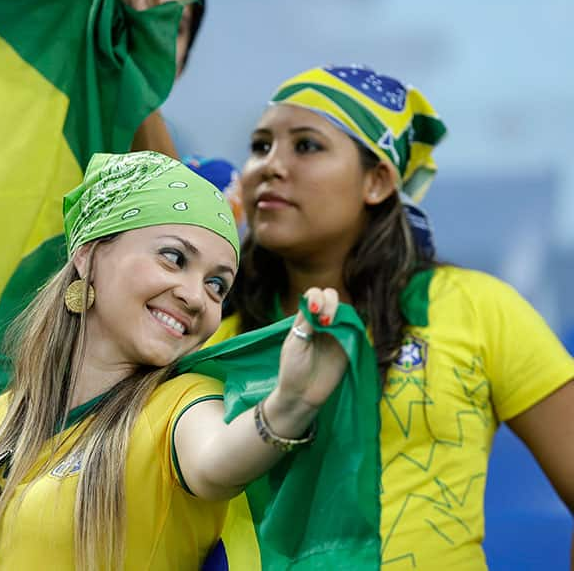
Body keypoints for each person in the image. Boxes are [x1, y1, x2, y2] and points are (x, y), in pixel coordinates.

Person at [0, 150, 351, 570]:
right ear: (89, 256)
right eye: (173, 257)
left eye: (216, 284)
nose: (195, 295)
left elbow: (218, 461)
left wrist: (288, 405)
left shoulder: (183, 405)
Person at [207, 64, 574, 570]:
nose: (270, 165)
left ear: (378, 180)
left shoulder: (477, 308)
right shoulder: (216, 340)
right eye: (260, 145)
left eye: (307, 146)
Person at [127, 0, 207, 158]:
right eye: (126, 9)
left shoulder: (207, 180)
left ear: (181, 67)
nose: (146, 34)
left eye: (171, 25)